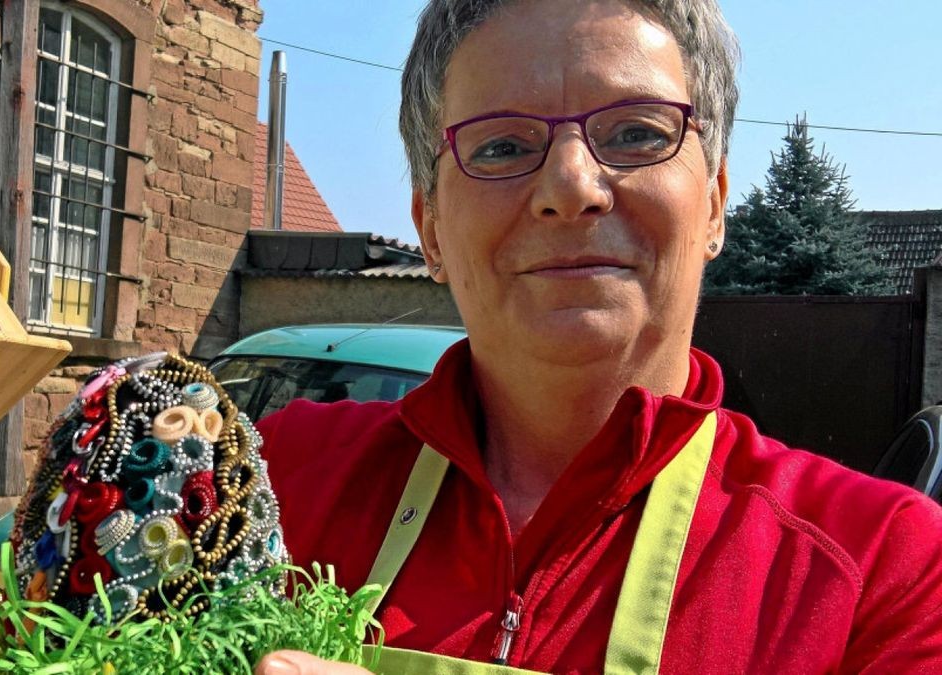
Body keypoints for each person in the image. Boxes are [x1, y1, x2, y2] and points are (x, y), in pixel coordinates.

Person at [253, 0, 942, 672]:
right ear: (429, 229)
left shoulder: (886, 568)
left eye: (637, 132)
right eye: (502, 145)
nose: (571, 184)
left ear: (714, 202)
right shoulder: (273, 484)